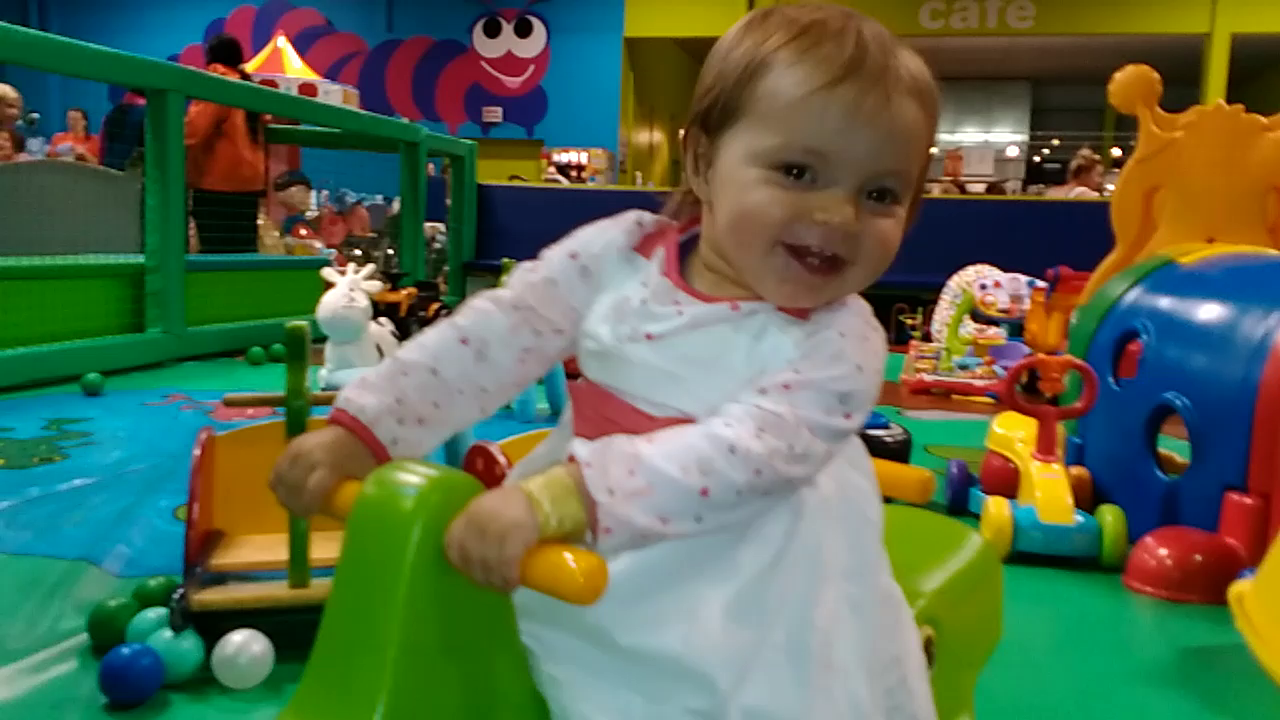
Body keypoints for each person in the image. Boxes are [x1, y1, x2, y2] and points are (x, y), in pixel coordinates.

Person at [270, 4, 940, 719]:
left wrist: (566, 498)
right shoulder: (621, 255)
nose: (838, 216)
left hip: (748, 571)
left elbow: (745, 454)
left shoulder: (841, 340)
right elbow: (499, 332)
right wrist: (369, 426)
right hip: (583, 520)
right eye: (798, 171)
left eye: (879, 193)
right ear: (703, 161)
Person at [184, 33, 267, 253]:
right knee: (242, 253)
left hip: (217, 185)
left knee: (216, 254)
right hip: (249, 185)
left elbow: (193, 131)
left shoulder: (217, 80)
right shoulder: (247, 84)